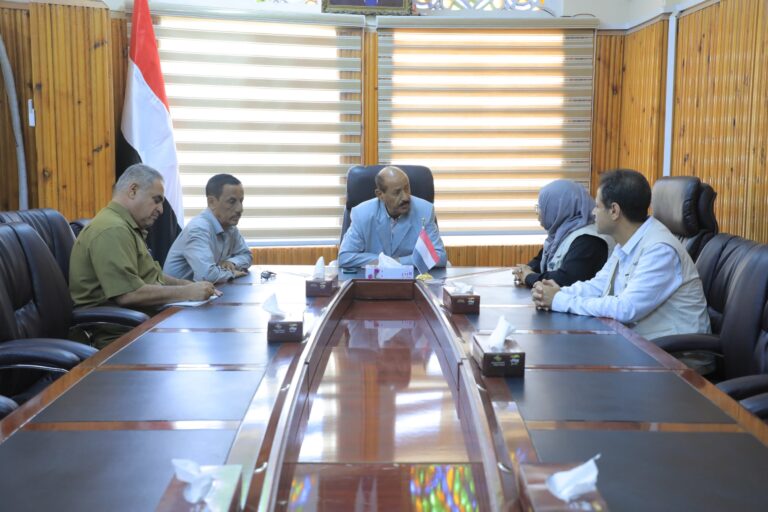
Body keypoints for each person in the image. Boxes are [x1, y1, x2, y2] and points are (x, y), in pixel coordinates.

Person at [531, 169, 711, 340]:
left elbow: (626, 309)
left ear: (614, 211)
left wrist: (559, 300)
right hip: (637, 342)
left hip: (671, 353)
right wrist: (557, 292)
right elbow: (599, 285)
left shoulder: (660, 250)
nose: (593, 212)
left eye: (597, 206)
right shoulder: (628, 242)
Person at [69, 164, 219, 348]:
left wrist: (186, 285)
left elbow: (151, 276)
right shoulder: (112, 229)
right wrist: (187, 293)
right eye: (156, 200)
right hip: (117, 338)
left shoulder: (126, 227)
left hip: (140, 326)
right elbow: (128, 294)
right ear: (133, 190)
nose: (161, 210)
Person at [338, 166, 447, 269]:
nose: (405, 197)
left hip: (411, 277)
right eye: (397, 192)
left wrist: (396, 262)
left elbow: (439, 256)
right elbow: (345, 257)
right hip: (374, 278)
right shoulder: (362, 214)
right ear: (380, 195)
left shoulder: (424, 211)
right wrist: (383, 261)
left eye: (407, 189)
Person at [512, 179, 611, 288]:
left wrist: (528, 277)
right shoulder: (562, 234)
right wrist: (525, 269)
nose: (538, 212)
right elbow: (541, 260)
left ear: (559, 208)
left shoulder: (588, 241)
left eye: (542, 207)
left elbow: (566, 279)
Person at [164, 174, 252, 283]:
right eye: (232, 201)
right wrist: (231, 273)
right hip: (178, 292)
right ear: (212, 202)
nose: (240, 209)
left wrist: (232, 262)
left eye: (241, 201)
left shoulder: (229, 227)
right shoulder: (198, 229)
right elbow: (206, 276)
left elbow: (247, 255)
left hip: (205, 290)